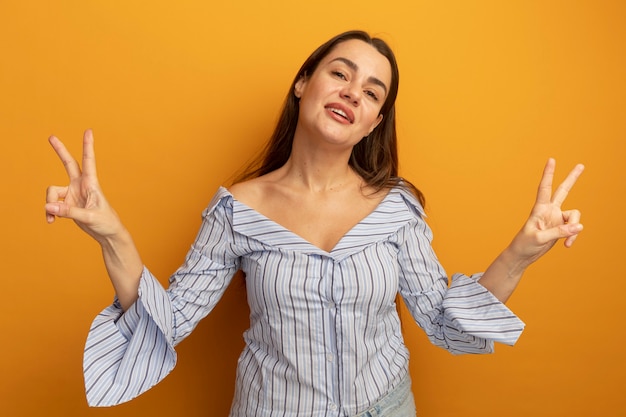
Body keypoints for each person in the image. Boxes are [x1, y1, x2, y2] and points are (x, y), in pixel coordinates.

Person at [45, 30, 584, 417]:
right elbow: (172, 320)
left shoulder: (397, 209)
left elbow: (445, 324)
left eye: (373, 92)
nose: (353, 91)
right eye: (340, 73)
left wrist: (521, 251)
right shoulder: (237, 208)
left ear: (375, 120)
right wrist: (112, 235)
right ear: (304, 83)